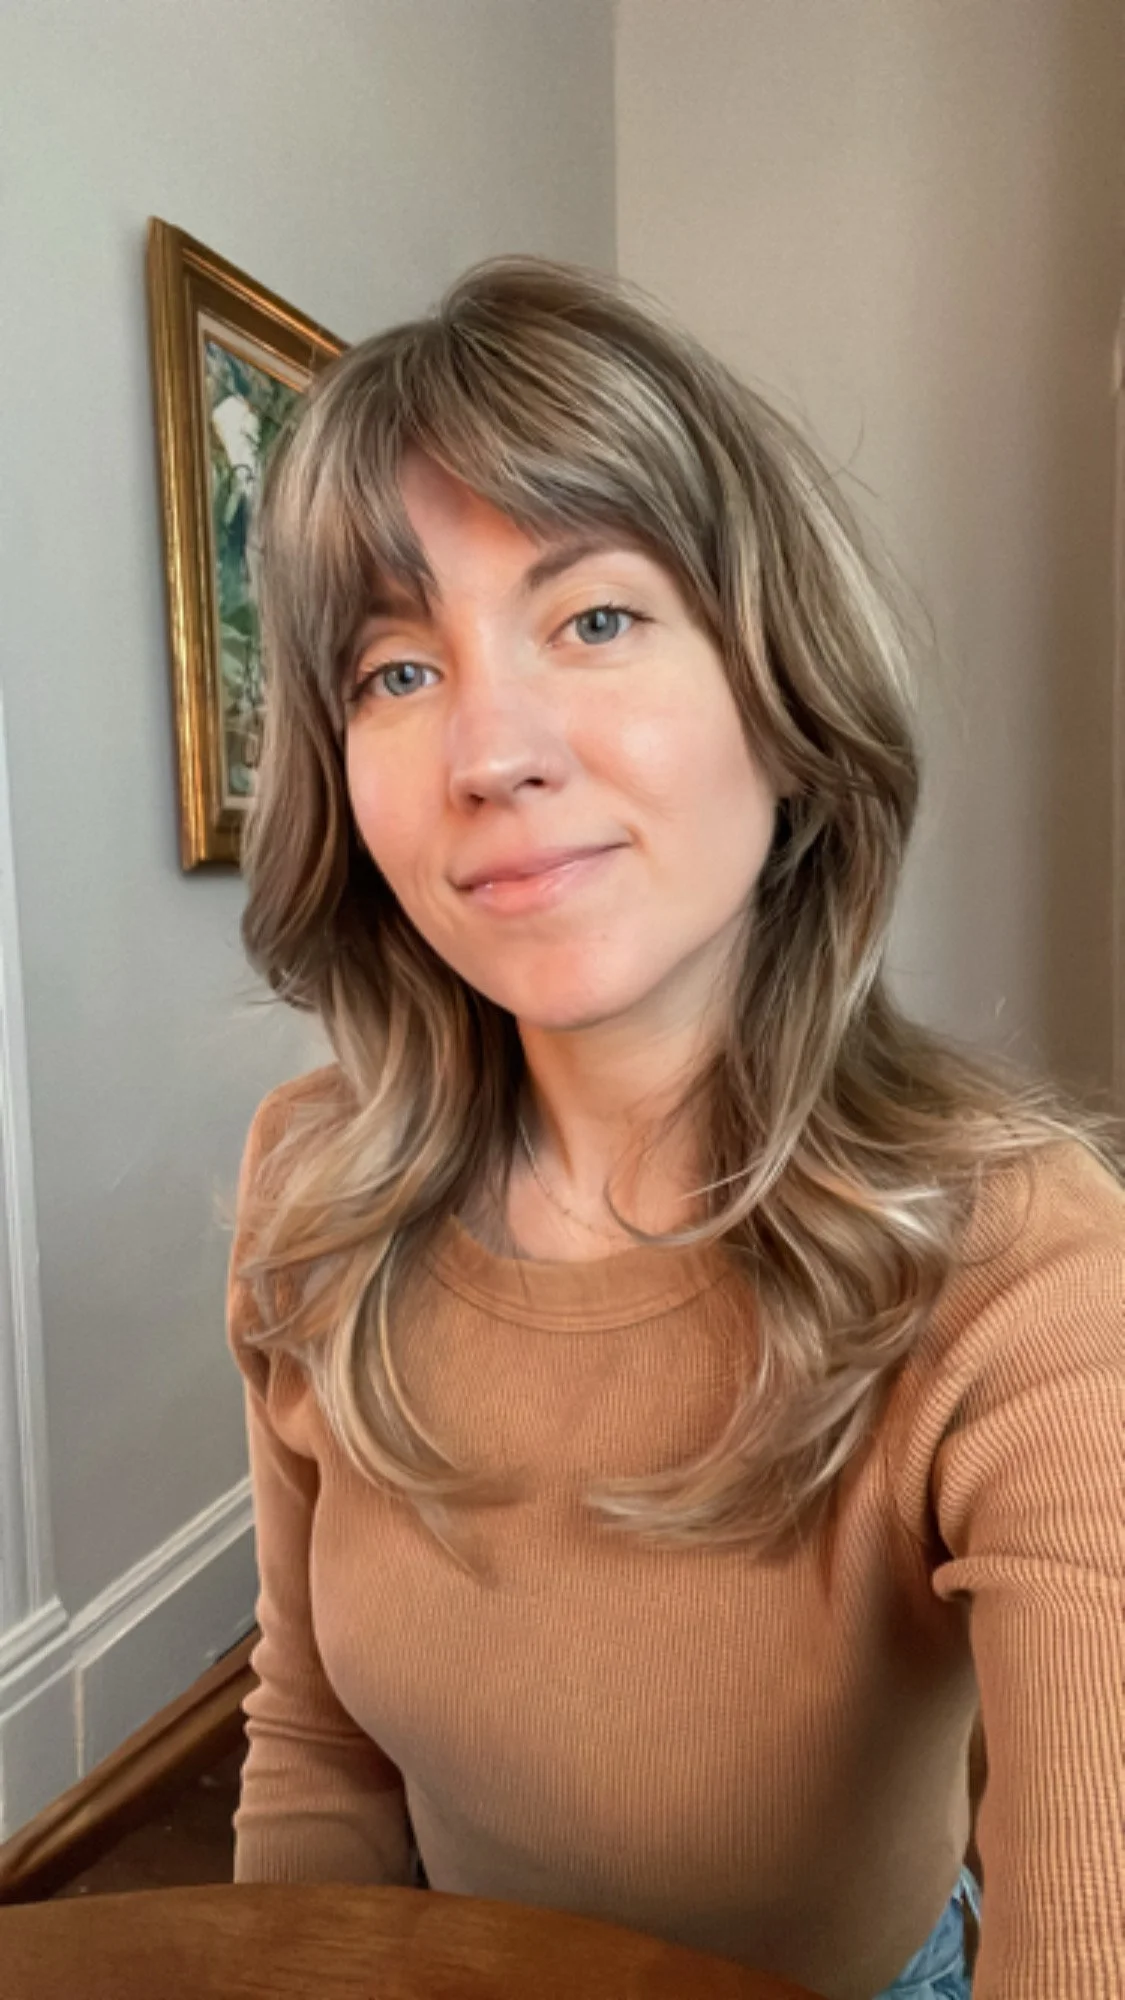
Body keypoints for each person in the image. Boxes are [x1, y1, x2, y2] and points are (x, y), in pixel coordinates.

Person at [226, 256, 1125, 2000]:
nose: (491, 748)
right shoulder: (308, 1184)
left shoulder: (1029, 1270)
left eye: (597, 619)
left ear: (780, 704)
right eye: (396, 671)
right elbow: (315, 1745)